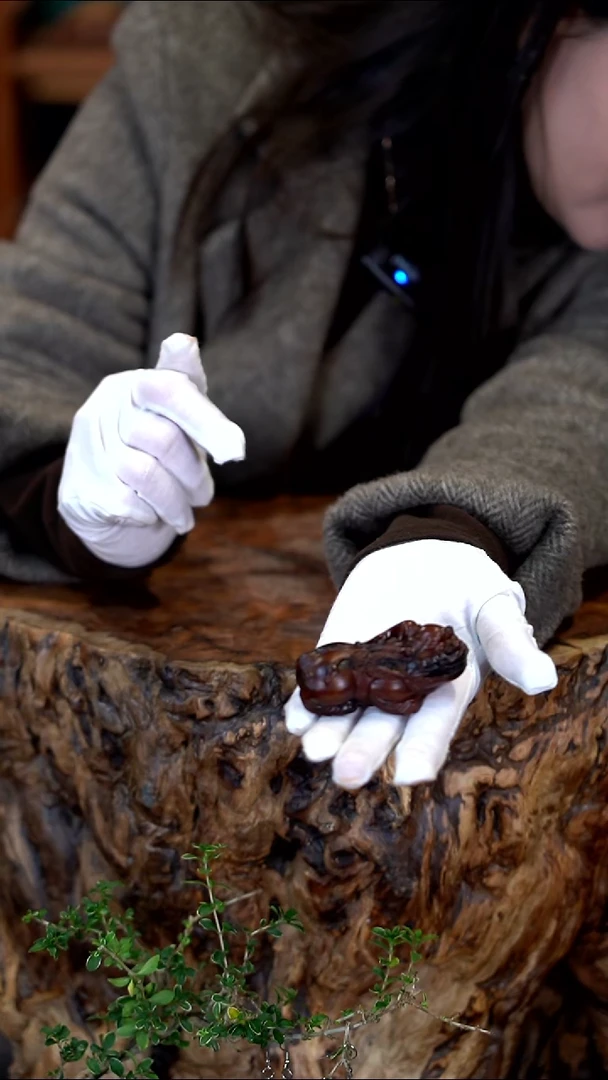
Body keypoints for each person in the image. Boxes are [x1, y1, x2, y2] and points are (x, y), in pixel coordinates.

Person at [0, 0, 606, 792]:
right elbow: (32, 337)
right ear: (544, 14)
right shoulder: (210, 54)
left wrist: (460, 527)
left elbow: (581, 393)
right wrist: (70, 497)